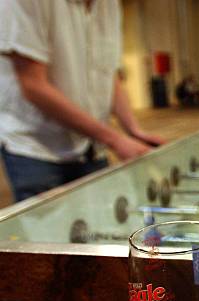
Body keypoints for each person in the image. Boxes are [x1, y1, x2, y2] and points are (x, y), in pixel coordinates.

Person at [0, 0, 165, 202]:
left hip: (91, 147)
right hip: (39, 149)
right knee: (48, 231)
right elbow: (33, 85)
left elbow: (107, 74)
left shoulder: (108, 4)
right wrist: (114, 139)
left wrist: (133, 130)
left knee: (100, 224)